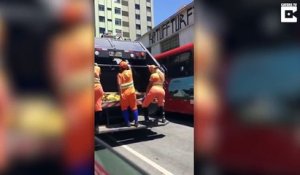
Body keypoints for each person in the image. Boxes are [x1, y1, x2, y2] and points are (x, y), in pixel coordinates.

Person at [117, 60, 139, 127]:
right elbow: (129, 67)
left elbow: (119, 85)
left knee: (124, 108)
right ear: (126, 67)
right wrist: (127, 64)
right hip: (132, 92)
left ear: (120, 68)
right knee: (134, 107)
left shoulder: (119, 75)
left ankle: (127, 123)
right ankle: (136, 122)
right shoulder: (130, 72)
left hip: (124, 94)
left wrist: (120, 94)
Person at [94, 63, 104, 131]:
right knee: (98, 107)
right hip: (99, 88)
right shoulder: (98, 68)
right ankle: (96, 126)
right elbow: (99, 74)